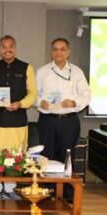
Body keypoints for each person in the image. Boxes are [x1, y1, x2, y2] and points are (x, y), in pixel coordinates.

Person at [0, 35, 37, 200]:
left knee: (16, 156)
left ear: (15, 48)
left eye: (11, 46)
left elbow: (33, 94)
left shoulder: (26, 67)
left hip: (18, 121)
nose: (7, 49)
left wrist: (21, 103)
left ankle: (11, 188)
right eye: (4, 46)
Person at [36, 38, 91, 202]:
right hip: (47, 120)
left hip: (69, 120)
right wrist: (40, 103)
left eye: (62, 49)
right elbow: (34, 95)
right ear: (51, 52)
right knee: (47, 155)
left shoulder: (76, 72)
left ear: (68, 52)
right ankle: (48, 191)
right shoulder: (42, 71)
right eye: (55, 49)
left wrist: (75, 103)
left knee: (68, 156)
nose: (58, 52)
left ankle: (67, 192)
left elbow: (86, 94)